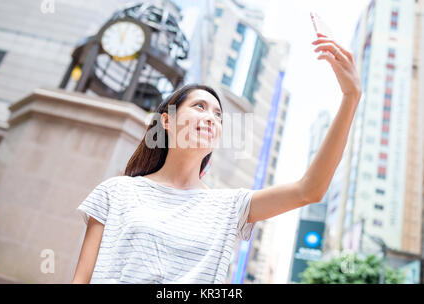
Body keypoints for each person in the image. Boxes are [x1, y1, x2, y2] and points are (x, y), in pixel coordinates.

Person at [72, 33, 361, 284]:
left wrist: (350, 97)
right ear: (168, 121)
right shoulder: (117, 192)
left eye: (218, 115)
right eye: (200, 106)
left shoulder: (229, 208)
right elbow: (81, 279)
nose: (211, 118)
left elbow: (310, 190)